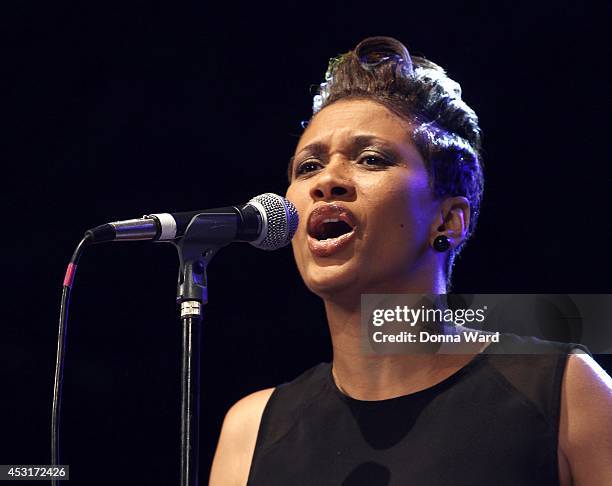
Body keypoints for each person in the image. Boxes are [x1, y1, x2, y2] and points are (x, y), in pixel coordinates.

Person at [209, 37, 612, 485]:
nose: (327, 181)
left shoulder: (563, 391)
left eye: (371, 159)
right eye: (308, 167)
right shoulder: (252, 431)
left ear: (448, 220)